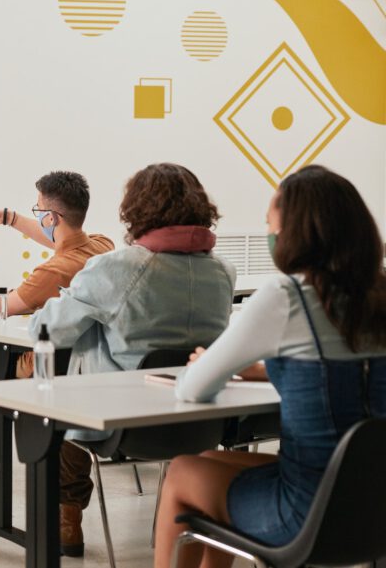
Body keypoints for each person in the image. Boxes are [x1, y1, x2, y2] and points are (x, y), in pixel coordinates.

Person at [154, 165, 386, 568]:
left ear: (298, 232)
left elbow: (193, 389)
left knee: (181, 471)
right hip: (373, 505)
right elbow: (346, 376)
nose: (270, 235)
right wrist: (266, 370)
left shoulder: (288, 295)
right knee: (208, 460)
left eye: (271, 225)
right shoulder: (379, 293)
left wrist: (209, 362)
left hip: (306, 512)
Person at [29, 163, 236, 556]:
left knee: (61, 379)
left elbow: (46, 329)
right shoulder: (223, 271)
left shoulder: (119, 267)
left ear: (136, 210)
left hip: (122, 423)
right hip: (201, 423)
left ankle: (66, 515)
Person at [0, 171, 113, 383]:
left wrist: (16, 294)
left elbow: (2, 308)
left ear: (51, 217)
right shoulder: (103, 245)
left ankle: (6, 408)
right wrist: (9, 218)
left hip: (45, 359)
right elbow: (63, 241)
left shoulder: (52, 272)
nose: (37, 215)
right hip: (89, 356)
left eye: (38, 209)